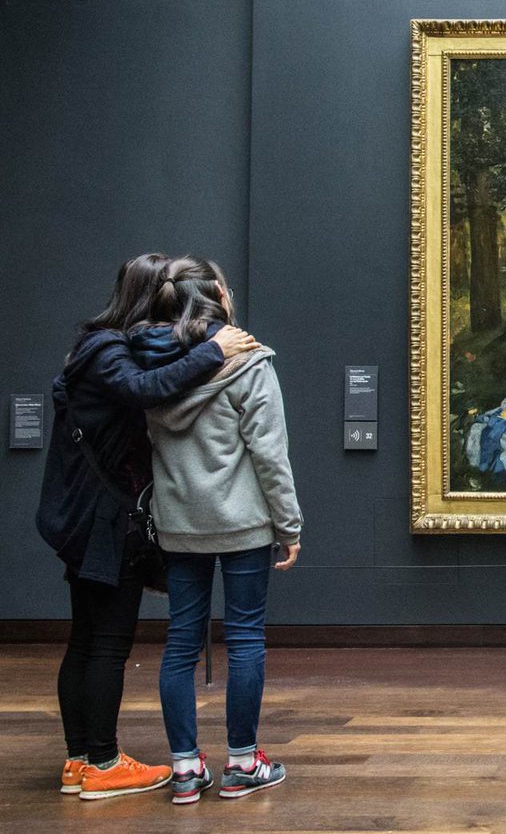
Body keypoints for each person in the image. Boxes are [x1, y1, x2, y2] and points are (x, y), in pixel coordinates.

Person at [35, 254, 258, 800]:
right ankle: (104, 763)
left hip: (82, 515)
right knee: (109, 644)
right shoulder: (108, 351)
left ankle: (79, 761)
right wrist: (214, 350)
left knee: (85, 638)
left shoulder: (91, 348)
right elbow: (145, 389)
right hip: (105, 523)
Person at [131, 257, 302, 805]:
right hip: (243, 524)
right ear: (218, 299)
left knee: (182, 640)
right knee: (245, 636)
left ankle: (185, 770)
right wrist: (289, 524)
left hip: (180, 523)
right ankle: (243, 764)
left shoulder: (147, 367)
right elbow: (270, 454)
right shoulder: (248, 360)